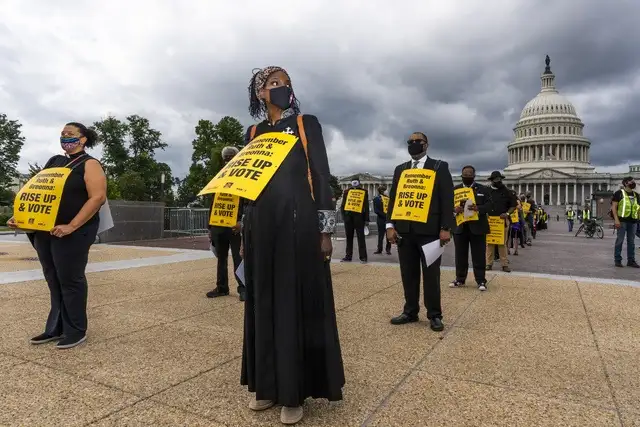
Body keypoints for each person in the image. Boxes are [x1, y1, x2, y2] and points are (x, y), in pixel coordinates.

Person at [240, 66, 344, 425]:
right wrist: (243, 231)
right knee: (263, 302)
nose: (280, 87)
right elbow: (244, 182)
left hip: (298, 225)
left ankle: (294, 392)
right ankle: (266, 386)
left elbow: (320, 173)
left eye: (284, 82)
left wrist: (325, 230)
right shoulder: (253, 132)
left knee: (293, 302)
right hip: (260, 227)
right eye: (272, 84)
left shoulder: (305, 124)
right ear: (259, 94)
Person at [7, 122, 107, 349]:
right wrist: (20, 218)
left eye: (70, 134)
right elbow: (38, 192)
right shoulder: (54, 161)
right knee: (53, 279)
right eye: (62, 134)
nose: (65, 137)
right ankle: (55, 328)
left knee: (71, 279)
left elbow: (97, 198)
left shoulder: (90, 164)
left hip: (74, 232)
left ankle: (76, 330)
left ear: (83, 139)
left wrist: (72, 225)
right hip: (46, 230)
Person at [386, 132, 453, 332]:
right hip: (405, 230)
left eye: (418, 141)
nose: (413, 144)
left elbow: (447, 199)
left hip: (430, 231)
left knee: (431, 275)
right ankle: (410, 311)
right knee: (408, 274)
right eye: (410, 142)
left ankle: (434, 314)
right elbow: (394, 198)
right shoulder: (401, 169)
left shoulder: (439, 167)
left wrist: (445, 228)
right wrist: (390, 226)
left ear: (426, 145)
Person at [206, 146, 246, 301]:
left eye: (231, 156)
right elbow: (213, 202)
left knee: (238, 258)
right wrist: (210, 226)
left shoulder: (243, 176)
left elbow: (245, 201)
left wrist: (241, 221)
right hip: (218, 225)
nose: (228, 159)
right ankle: (222, 287)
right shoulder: (219, 177)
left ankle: (243, 288)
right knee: (221, 259)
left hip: (234, 225)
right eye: (226, 157)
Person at [450, 165, 489, 291]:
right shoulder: (455, 190)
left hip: (477, 227)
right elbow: (448, 207)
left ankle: (481, 280)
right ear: (461, 176)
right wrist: (454, 210)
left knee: (479, 255)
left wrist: (479, 208)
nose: (467, 176)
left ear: (474, 175)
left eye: (469, 174)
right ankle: (460, 279)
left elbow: (490, 205)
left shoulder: (483, 189)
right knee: (460, 255)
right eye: (465, 175)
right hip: (460, 227)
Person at [485, 171, 516, 272]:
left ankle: (504, 264)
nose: (499, 181)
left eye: (500, 179)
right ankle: (488, 263)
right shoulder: (487, 191)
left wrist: (507, 214)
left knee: (502, 243)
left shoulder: (507, 191)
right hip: (490, 221)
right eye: (496, 180)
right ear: (492, 180)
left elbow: (513, 205)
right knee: (489, 243)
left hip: (502, 220)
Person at [611, 177, 639, 268]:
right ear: (626, 183)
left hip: (633, 221)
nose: (634, 183)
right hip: (622, 221)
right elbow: (614, 207)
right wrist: (616, 219)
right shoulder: (619, 193)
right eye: (632, 181)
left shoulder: (636, 195)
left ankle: (631, 260)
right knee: (620, 240)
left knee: (631, 242)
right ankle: (618, 260)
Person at [340, 178, 369, 263]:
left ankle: (363, 257)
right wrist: (344, 217)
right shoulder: (346, 191)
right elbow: (343, 205)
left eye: (356, 181)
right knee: (349, 238)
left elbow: (366, 206)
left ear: (359, 183)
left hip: (360, 218)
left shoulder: (364, 191)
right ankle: (348, 256)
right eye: (353, 181)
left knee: (361, 238)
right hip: (348, 218)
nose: (355, 183)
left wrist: (366, 219)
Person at [373, 185, 392, 255]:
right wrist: (386, 216)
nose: (387, 191)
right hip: (381, 219)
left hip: (387, 220)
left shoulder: (388, 199)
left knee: (388, 236)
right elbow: (376, 211)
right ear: (382, 191)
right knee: (380, 236)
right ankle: (379, 249)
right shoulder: (376, 199)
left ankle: (388, 249)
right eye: (385, 190)